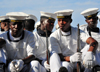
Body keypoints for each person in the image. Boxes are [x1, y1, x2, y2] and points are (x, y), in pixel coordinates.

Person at [80, 8, 100, 72]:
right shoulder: (82, 31)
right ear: (86, 21)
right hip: (84, 59)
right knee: (90, 46)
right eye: (89, 18)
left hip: (98, 59)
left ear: (97, 19)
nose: (92, 20)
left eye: (94, 18)